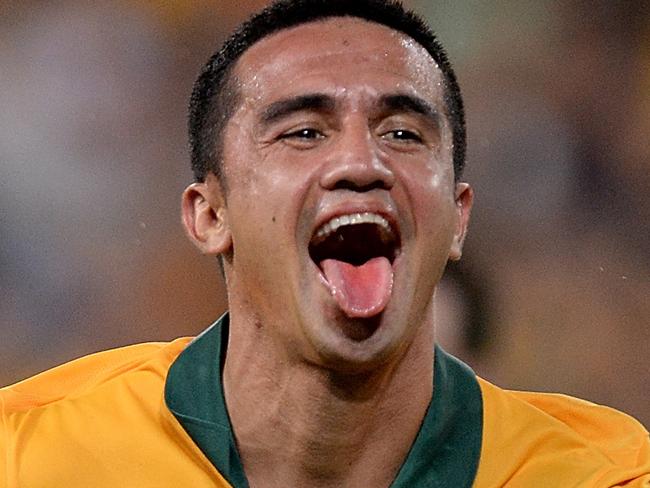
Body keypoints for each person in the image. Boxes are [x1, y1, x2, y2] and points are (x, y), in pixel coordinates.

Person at [1, 0, 649, 486]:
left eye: (402, 133)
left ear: (457, 218)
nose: (360, 163)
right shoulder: (30, 454)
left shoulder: (601, 476)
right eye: (304, 132)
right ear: (209, 215)